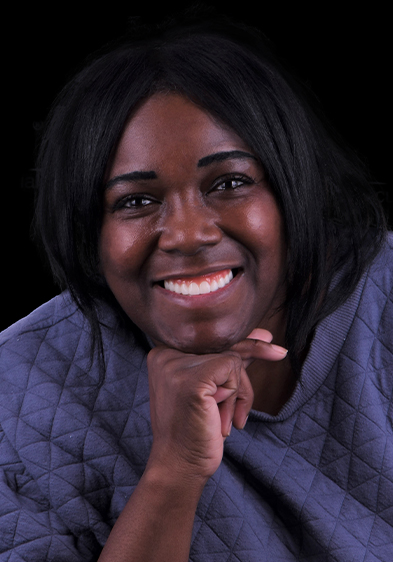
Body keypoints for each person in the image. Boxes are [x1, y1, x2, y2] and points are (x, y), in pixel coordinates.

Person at [1, 12, 392, 562]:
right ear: (90, 233)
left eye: (230, 183)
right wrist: (173, 473)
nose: (187, 235)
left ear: (292, 195)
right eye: (136, 201)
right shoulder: (22, 390)